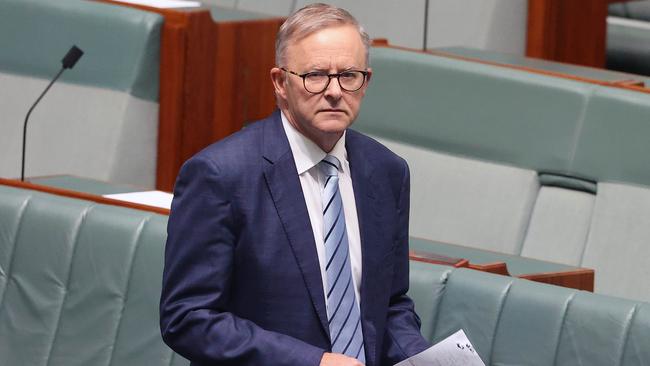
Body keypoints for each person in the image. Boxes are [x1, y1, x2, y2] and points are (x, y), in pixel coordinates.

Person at [160, 3, 430, 366]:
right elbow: (188, 318)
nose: (334, 91)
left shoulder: (387, 172)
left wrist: (423, 359)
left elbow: (391, 305)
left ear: (366, 82)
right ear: (280, 82)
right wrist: (312, 362)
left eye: (349, 75)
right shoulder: (221, 175)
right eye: (316, 75)